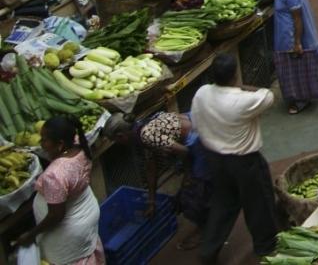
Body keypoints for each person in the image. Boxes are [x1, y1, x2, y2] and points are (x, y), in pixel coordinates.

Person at [190, 53, 279, 263]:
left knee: (222, 204)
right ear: (235, 75)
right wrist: (241, 86)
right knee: (258, 203)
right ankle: (266, 246)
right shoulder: (242, 100)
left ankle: (208, 251)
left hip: (215, 159)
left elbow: (195, 122)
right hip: (244, 161)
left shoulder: (202, 93)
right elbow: (268, 95)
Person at [102, 111, 209, 251]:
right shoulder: (141, 127)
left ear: (121, 136)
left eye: (115, 140)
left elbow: (186, 152)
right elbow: (151, 167)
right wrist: (151, 201)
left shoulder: (146, 135)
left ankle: (205, 230)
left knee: (191, 194)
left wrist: (187, 177)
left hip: (198, 139)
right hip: (198, 123)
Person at [16, 116, 105, 265]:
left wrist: (31, 234)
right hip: (85, 213)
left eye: (44, 140)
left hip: (70, 231)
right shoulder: (79, 147)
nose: (40, 143)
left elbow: (56, 214)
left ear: (60, 144)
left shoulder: (55, 175)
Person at [272, 0, 318, 114]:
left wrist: (297, 42)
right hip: (288, 35)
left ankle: (301, 100)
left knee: (295, 68)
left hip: (289, 37)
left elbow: (297, 19)